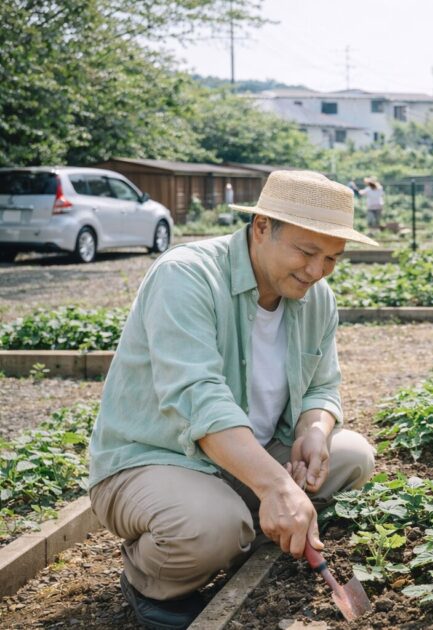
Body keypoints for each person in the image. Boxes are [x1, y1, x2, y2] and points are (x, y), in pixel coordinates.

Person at [88, 171, 379, 630]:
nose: (317, 270)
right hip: (157, 459)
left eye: (332, 258)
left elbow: (323, 387)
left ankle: (254, 532)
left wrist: (314, 429)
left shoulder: (316, 298)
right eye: (306, 252)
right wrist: (276, 486)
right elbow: (198, 398)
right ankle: (152, 583)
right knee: (210, 525)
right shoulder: (187, 275)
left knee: (351, 455)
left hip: (248, 457)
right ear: (262, 226)